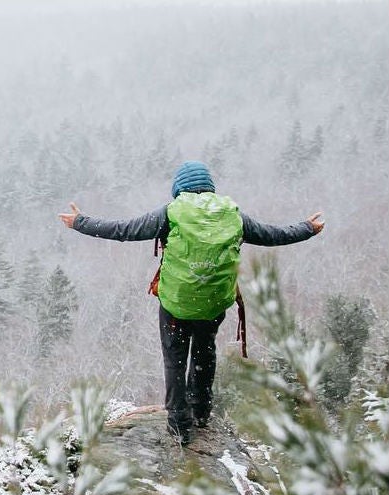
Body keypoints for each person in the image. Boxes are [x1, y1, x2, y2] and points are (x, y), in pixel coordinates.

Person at [58, 161, 324, 445]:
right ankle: (201, 413)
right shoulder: (233, 215)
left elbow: (124, 230)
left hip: (176, 305)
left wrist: (80, 222)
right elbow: (274, 235)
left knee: (175, 360)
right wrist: (307, 227)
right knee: (204, 354)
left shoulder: (171, 213)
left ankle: (179, 425)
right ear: (209, 188)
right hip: (213, 304)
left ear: (179, 189)